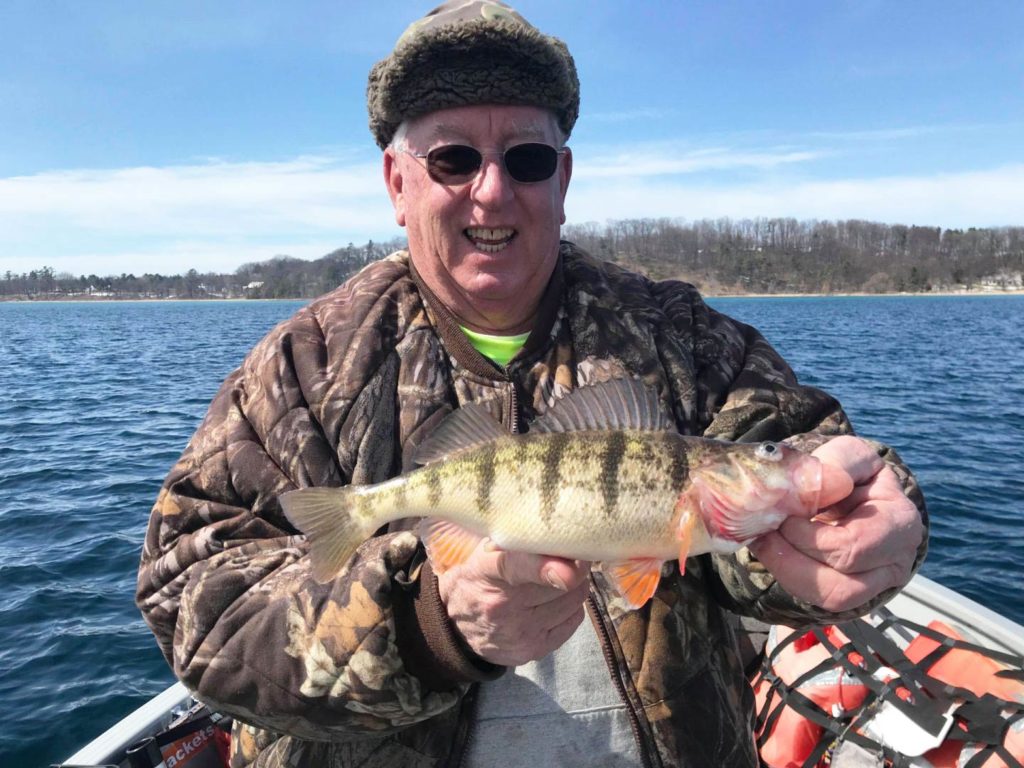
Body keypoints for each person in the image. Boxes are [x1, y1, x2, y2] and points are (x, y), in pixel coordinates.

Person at [136, 2, 927, 766]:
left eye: (526, 158)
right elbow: (192, 608)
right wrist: (427, 627)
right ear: (395, 183)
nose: (491, 191)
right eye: (452, 159)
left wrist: (863, 520)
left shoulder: (682, 336)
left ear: (563, 176)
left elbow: (799, 448)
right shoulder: (302, 367)